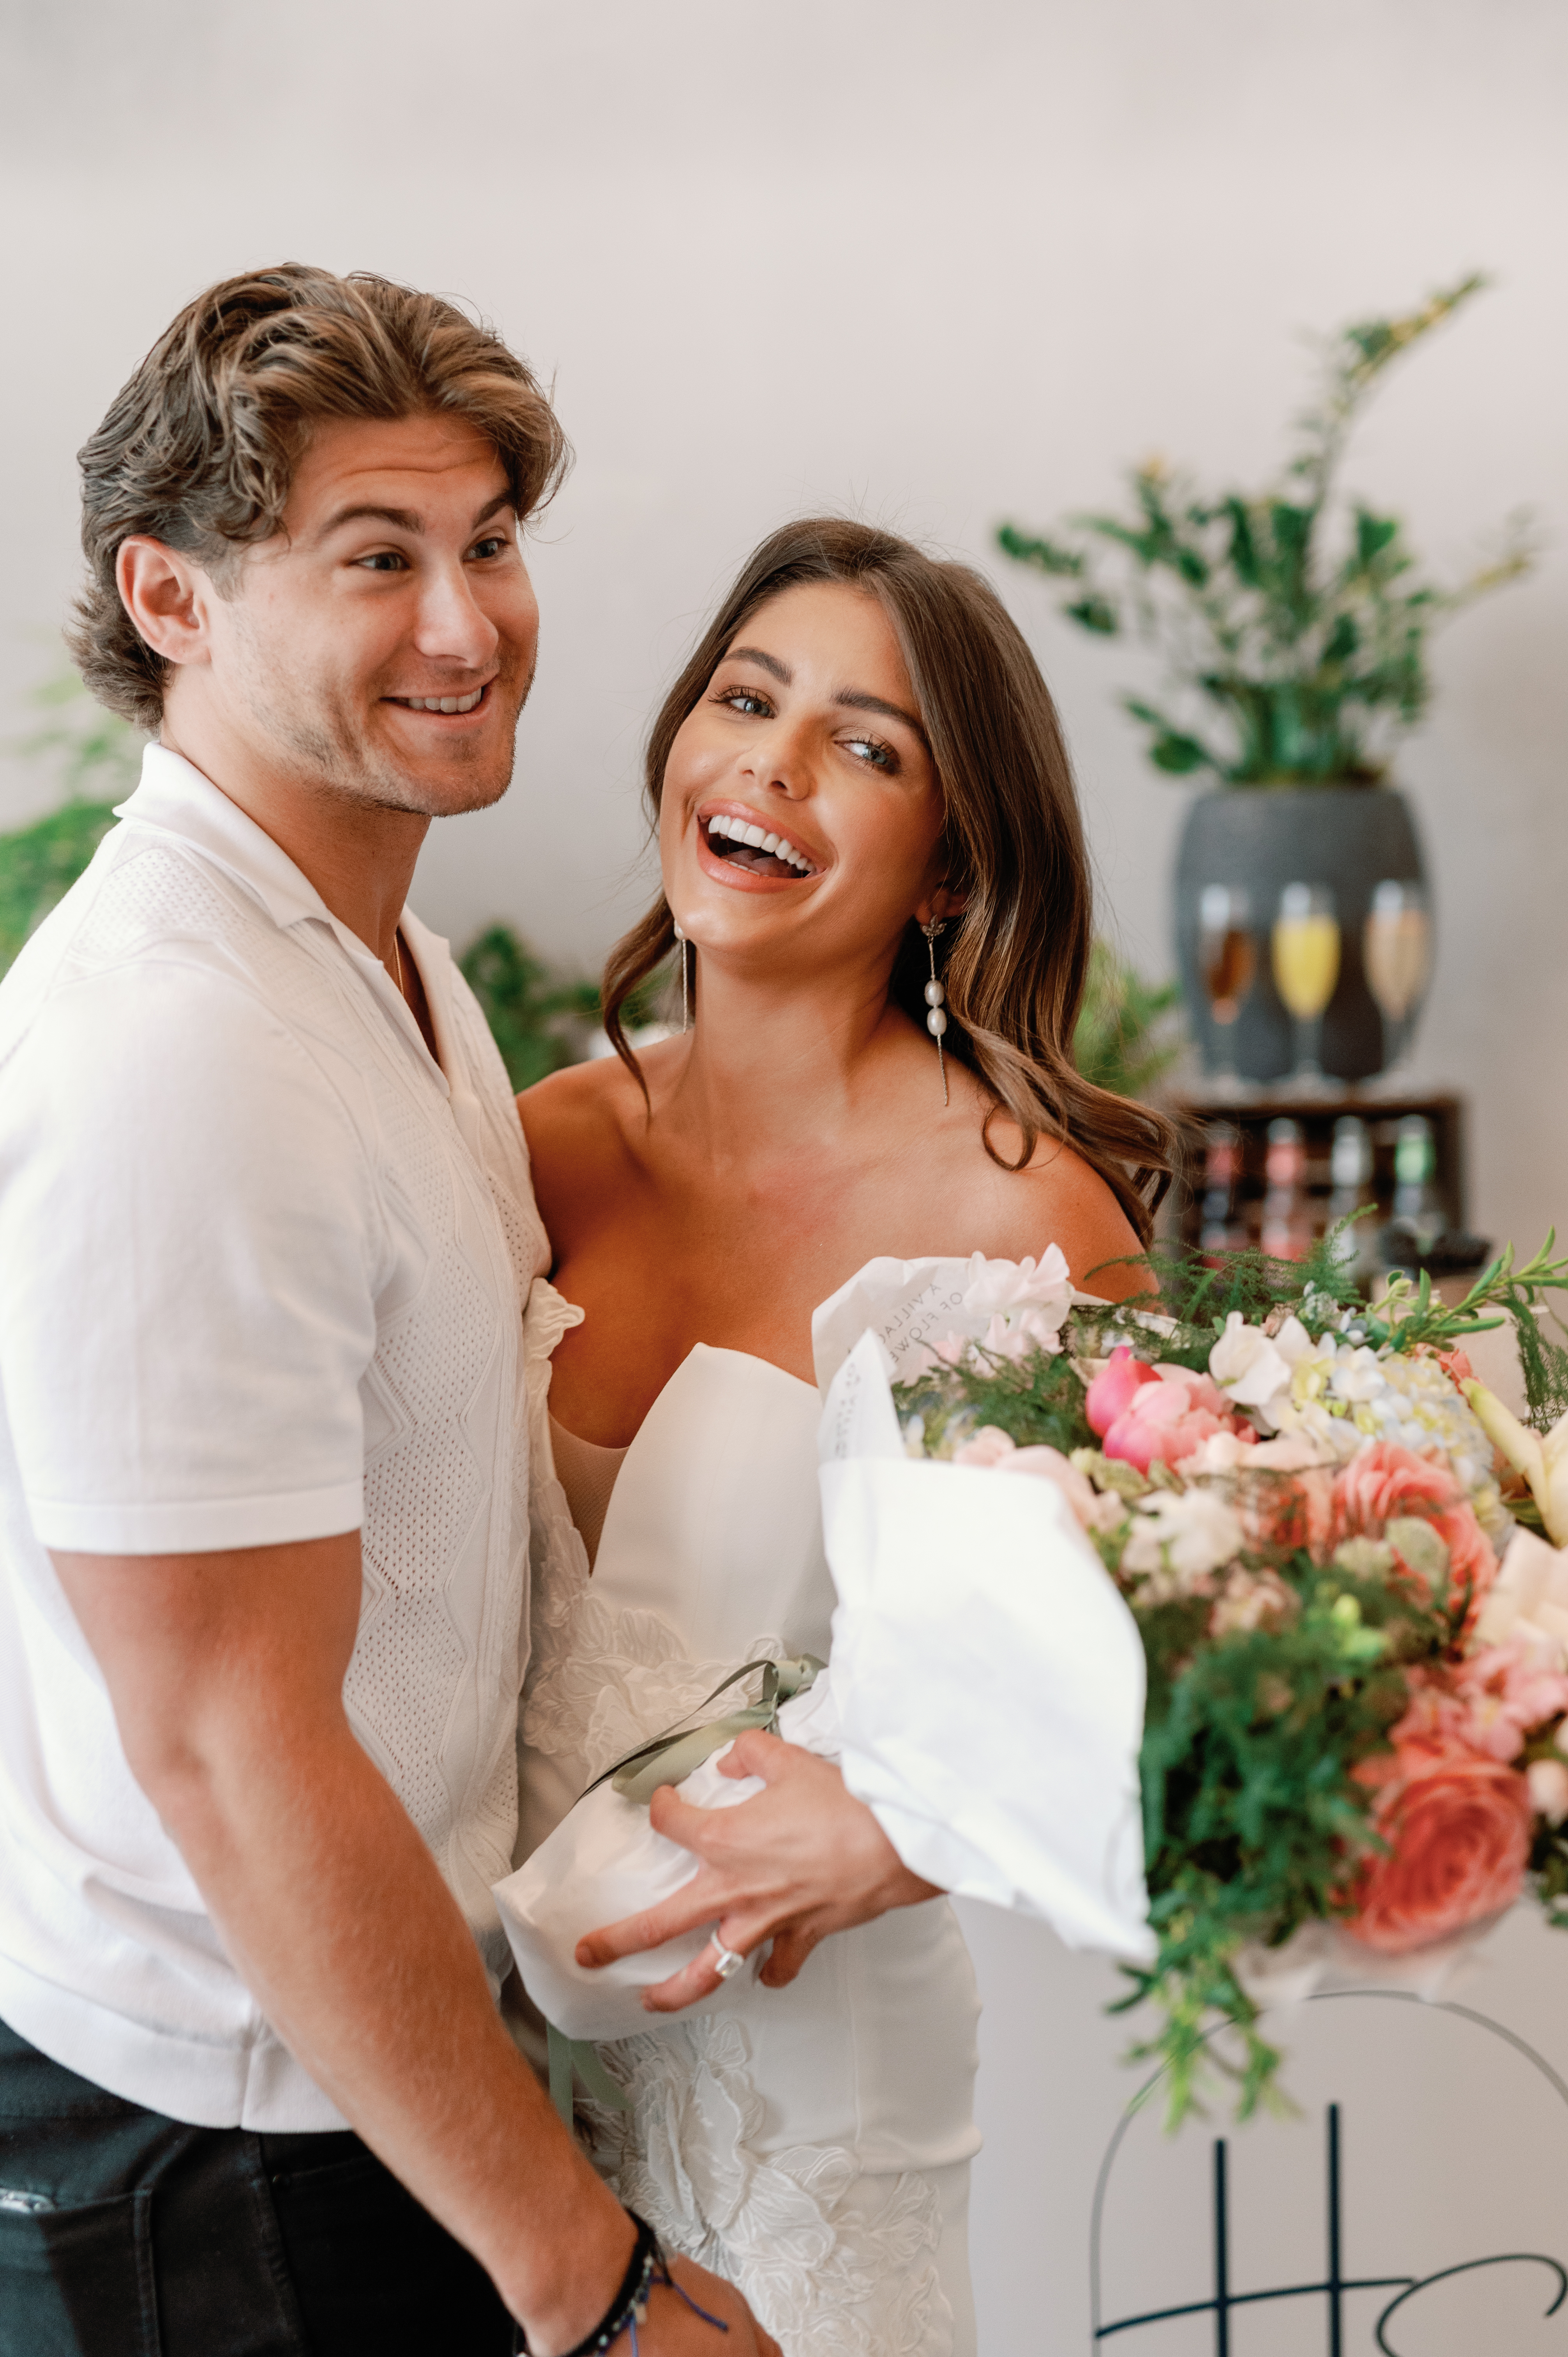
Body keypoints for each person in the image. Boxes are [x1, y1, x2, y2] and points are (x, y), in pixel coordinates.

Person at [0, 265, 779, 2357]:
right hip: (214, 2156)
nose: (468, 622)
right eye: (378, 557)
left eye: (492, 543)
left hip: (368, 2080)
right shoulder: (177, 1043)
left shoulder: (384, 969)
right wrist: (585, 2278)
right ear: (171, 600)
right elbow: (229, 1742)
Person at [515, 518, 1178, 2353]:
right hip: (499, 2091)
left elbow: (1161, 1664)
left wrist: (895, 1828)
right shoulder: (536, 1148)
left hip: (810, 2106)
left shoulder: (1021, 1219)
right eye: (746, 697)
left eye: (867, 746)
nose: (775, 763)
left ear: (950, 872)